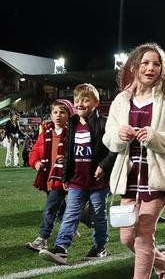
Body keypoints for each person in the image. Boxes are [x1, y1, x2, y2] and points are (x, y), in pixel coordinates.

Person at [104, 43, 165, 278]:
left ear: (162, 68)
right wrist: (118, 135)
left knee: (143, 234)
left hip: (157, 176)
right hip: (129, 175)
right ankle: (164, 262)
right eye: (145, 63)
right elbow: (108, 136)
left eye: (156, 64)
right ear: (134, 66)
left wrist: (155, 137)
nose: (150, 68)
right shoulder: (122, 99)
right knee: (126, 237)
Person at [39, 84, 117, 265]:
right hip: (77, 181)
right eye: (77, 100)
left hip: (98, 182)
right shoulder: (72, 123)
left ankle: (100, 247)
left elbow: (115, 149)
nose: (80, 103)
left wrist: (103, 166)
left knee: (98, 215)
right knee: (70, 214)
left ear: (96, 102)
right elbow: (68, 152)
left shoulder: (104, 123)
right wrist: (65, 176)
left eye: (85, 99)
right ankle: (61, 249)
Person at [25, 99, 74, 252]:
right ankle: (81, 220)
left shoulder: (72, 133)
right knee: (60, 208)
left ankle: (43, 238)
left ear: (69, 115)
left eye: (62, 112)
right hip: (47, 177)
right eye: (55, 112)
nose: (58, 115)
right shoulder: (45, 132)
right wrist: (36, 163)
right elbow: (35, 152)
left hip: (63, 177)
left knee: (50, 208)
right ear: (51, 114)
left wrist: (66, 158)